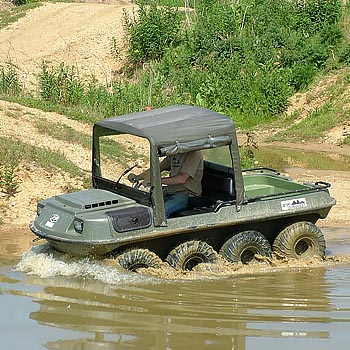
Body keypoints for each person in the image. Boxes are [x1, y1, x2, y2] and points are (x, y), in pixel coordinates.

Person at [132, 151, 203, 218]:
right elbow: (157, 168)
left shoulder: (193, 155)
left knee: (159, 214)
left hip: (186, 194)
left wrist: (156, 180)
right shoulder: (176, 152)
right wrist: (138, 177)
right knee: (142, 204)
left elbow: (182, 179)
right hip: (170, 191)